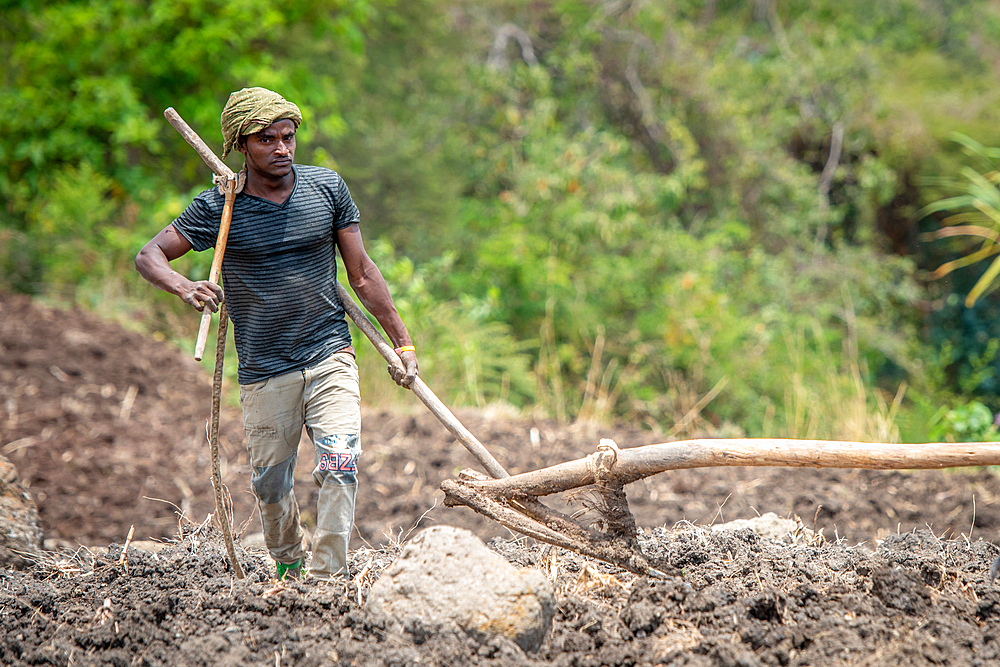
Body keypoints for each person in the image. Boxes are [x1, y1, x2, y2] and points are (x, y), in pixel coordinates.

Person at [135, 87, 419, 580]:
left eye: (288, 136)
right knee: (270, 483)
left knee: (340, 463)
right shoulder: (220, 207)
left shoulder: (327, 189)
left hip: (330, 353)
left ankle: (329, 577)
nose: (282, 148)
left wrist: (402, 340)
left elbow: (364, 275)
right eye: (267, 139)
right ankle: (288, 565)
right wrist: (185, 287)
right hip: (265, 370)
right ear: (241, 145)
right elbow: (149, 256)